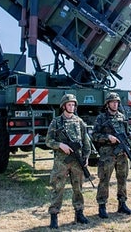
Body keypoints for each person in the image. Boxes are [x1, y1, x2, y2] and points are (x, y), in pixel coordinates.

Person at [46, 94, 91, 229]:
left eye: (73, 104)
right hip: (62, 161)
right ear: (64, 106)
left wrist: (86, 156)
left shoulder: (79, 122)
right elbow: (48, 141)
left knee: (78, 188)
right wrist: (60, 145)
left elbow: (86, 141)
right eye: (69, 104)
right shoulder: (56, 122)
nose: (71, 106)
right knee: (58, 188)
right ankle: (54, 215)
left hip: (77, 161)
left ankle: (79, 213)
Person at [92, 92, 131, 219]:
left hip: (122, 154)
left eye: (117, 102)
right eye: (113, 102)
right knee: (104, 180)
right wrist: (107, 137)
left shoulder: (122, 117)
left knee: (122, 179)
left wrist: (129, 147)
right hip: (107, 154)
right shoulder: (101, 118)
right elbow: (94, 135)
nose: (115, 104)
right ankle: (102, 205)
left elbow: (126, 134)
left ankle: (122, 204)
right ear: (108, 104)